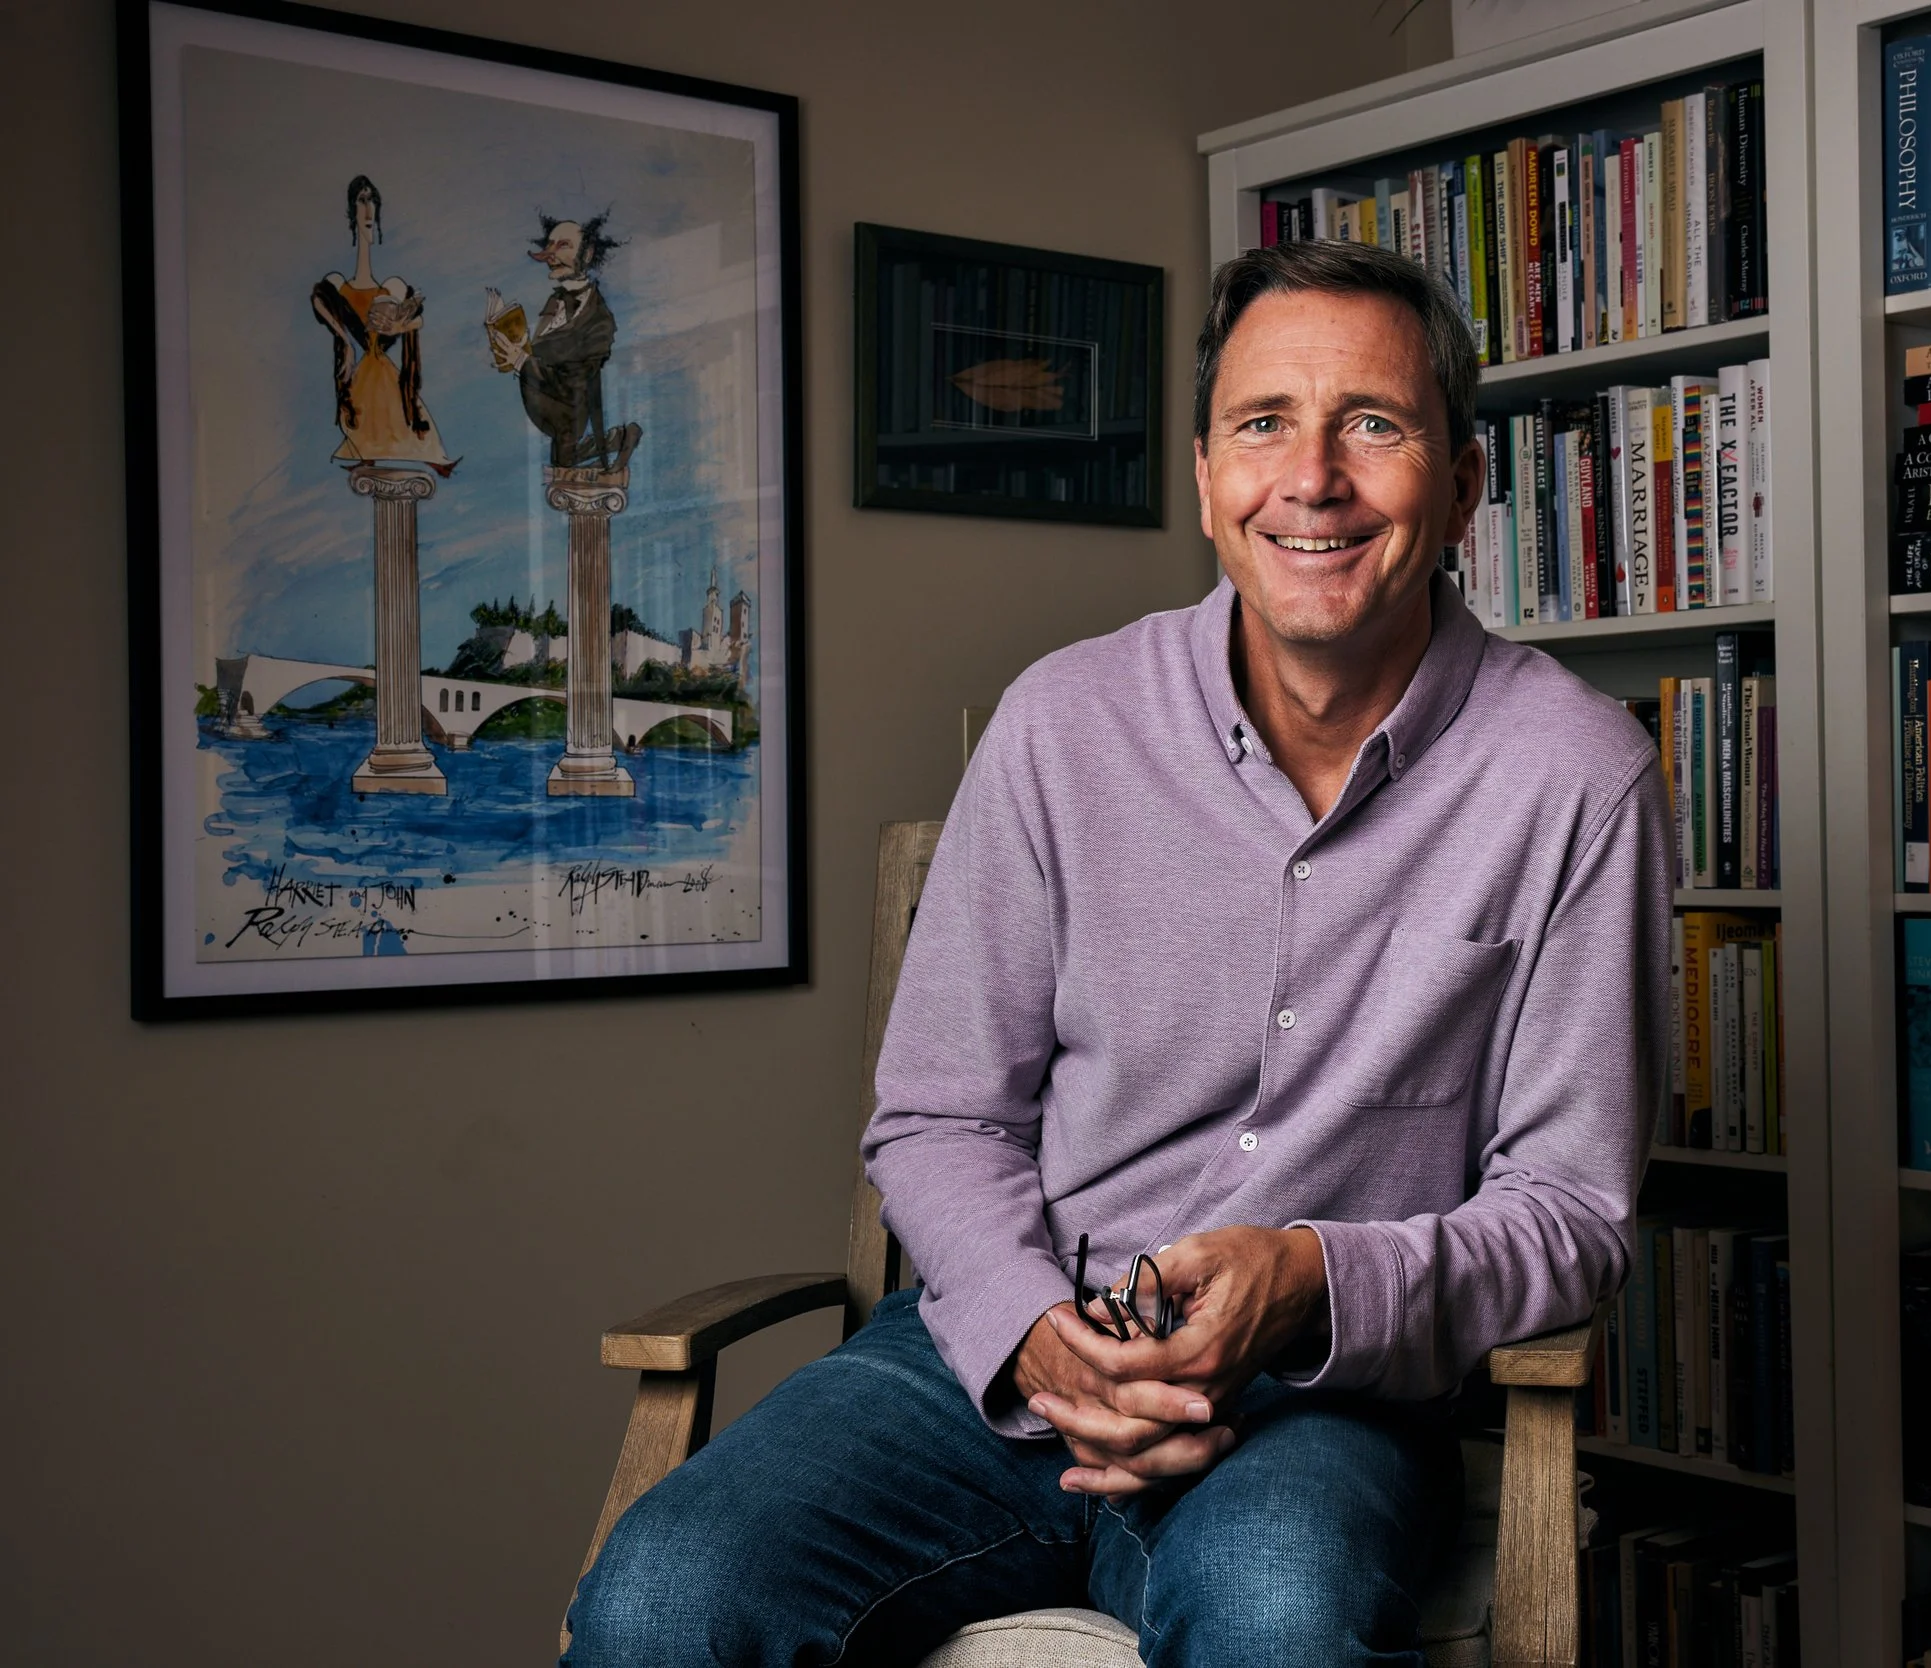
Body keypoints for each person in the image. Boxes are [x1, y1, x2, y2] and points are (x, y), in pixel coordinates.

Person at [563, 239, 1670, 1668]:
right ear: (1208, 476)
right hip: (1004, 1346)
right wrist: (1033, 1330)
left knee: (1281, 1614)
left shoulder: (1576, 775)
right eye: (1265, 423)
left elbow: (1570, 1212)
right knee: (664, 1592)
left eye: (1375, 426)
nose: (1313, 477)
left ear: (1462, 485)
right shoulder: (1059, 724)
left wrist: (1310, 1281)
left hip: (1319, 1398)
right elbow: (939, 1112)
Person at [310, 175, 454, 476]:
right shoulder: (339, 285)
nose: (368, 209)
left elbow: (418, 318)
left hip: (379, 350)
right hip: (364, 355)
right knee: (366, 406)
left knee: (398, 406)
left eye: (372, 201)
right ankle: (372, 456)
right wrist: (345, 343)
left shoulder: (389, 287)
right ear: (353, 210)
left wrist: (398, 329)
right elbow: (318, 301)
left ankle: (432, 457)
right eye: (362, 200)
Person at [488, 213, 640, 471]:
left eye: (563, 245)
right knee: (562, 464)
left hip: (567, 406)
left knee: (563, 465)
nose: (551, 255)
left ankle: (621, 438)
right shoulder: (554, 302)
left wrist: (522, 361)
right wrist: (515, 343)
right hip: (547, 405)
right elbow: (547, 351)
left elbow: (575, 380)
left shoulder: (599, 320)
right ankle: (620, 438)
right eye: (549, 246)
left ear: (587, 254)